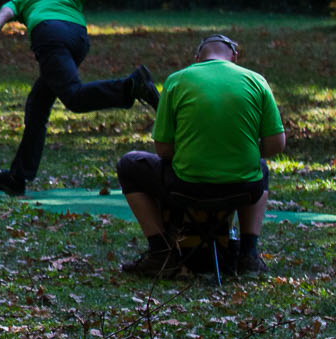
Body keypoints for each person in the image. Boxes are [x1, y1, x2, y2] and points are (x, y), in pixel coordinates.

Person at [0, 0, 157, 197]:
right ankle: (17, 177)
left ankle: (130, 86)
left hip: (50, 35)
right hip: (78, 38)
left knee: (74, 98)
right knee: (38, 103)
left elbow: (5, 11)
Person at [116, 34, 286, 277]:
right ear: (235, 57)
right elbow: (277, 144)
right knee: (260, 167)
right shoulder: (256, 81)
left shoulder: (177, 81)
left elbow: (163, 150)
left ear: (197, 58)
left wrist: (192, 153)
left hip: (186, 188)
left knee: (128, 165)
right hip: (244, 189)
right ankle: (248, 255)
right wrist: (238, 153)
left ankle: (161, 253)